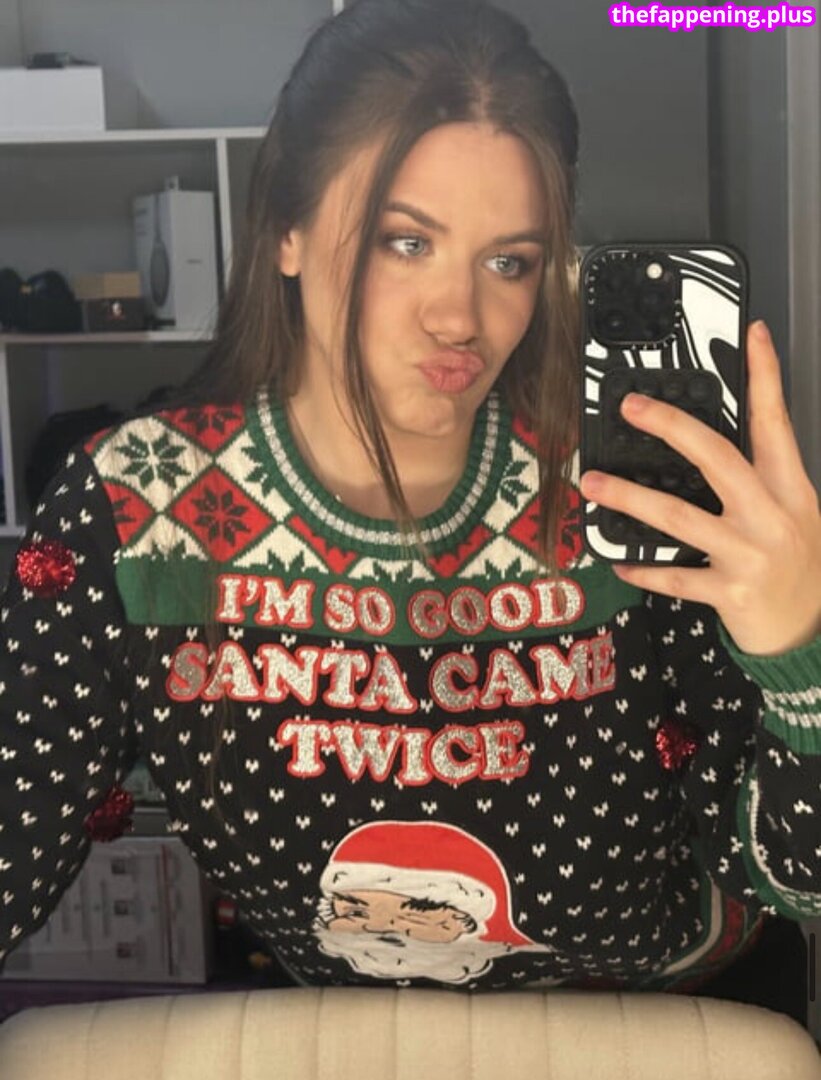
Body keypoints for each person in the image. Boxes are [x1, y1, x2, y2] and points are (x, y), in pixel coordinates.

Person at [1, 0, 819, 1019]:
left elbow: (794, 882)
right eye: (404, 241)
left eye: (508, 261)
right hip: (366, 1039)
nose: (459, 316)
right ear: (287, 229)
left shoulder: (621, 486)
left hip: (676, 1026)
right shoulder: (135, 508)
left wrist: (797, 658)